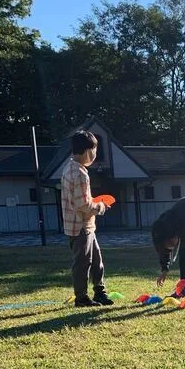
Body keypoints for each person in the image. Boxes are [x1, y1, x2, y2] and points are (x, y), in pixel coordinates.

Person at [61, 130, 113, 307]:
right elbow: (83, 205)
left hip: (83, 225)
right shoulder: (80, 173)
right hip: (80, 226)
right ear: (88, 151)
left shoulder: (69, 168)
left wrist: (94, 203)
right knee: (83, 262)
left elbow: (80, 201)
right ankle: (81, 298)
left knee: (96, 260)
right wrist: (101, 207)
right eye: (95, 150)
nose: (95, 155)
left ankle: (100, 292)